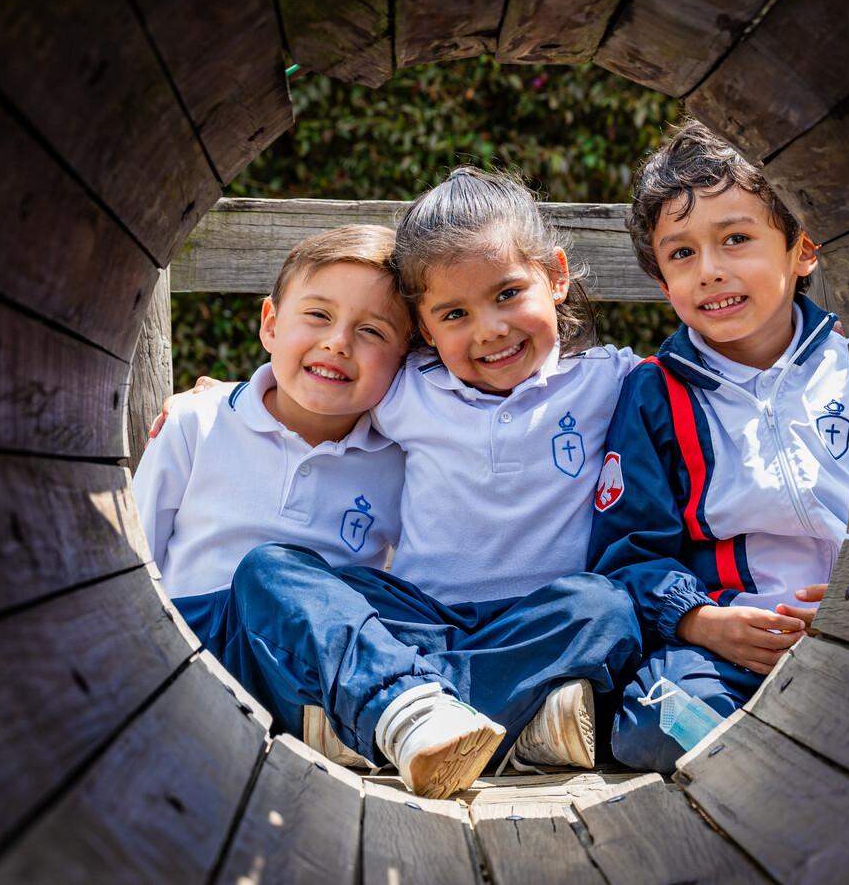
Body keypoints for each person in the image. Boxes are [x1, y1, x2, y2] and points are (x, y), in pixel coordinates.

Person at [208, 168, 643, 798]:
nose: (489, 329)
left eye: (508, 294)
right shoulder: (406, 389)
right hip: (412, 622)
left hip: (539, 626)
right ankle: (497, 723)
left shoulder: (613, 381)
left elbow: (689, 388)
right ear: (424, 327)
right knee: (270, 572)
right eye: (454, 314)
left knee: (608, 606)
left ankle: (381, 716)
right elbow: (322, 381)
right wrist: (228, 394)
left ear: (555, 275)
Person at [588, 119, 849, 773]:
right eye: (681, 254)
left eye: (736, 239)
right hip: (736, 650)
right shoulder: (656, 396)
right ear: (663, 284)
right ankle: (791, 771)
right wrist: (700, 622)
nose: (710, 271)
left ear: (803, 249)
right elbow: (629, 554)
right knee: (653, 724)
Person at [133, 225, 411, 655]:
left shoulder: (400, 462)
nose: (337, 343)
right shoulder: (197, 424)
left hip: (307, 674)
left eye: (372, 331)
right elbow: (132, 559)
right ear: (271, 326)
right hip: (185, 653)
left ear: (405, 361)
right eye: (319, 315)